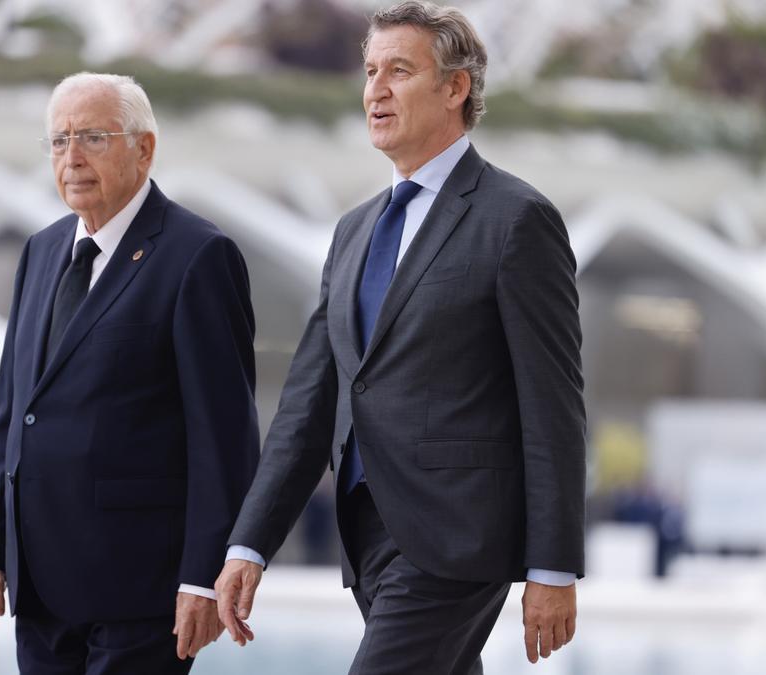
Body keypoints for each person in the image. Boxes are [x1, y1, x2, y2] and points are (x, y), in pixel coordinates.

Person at [214, 3, 587, 673]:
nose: (375, 91)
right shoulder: (352, 231)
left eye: (399, 71)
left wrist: (553, 565)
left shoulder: (516, 219)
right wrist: (251, 543)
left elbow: (553, 403)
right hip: (368, 538)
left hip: (458, 536)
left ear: (455, 87)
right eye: (370, 72)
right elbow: (308, 405)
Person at [0, 72, 260, 675]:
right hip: (40, 590)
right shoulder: (40, 251)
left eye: (93, 138)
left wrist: (201, 578)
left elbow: (224, 438)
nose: (71, 158)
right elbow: (13, 418)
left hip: (141, 590)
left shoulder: (198, 255)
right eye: (59, 140)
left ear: (144, 149)